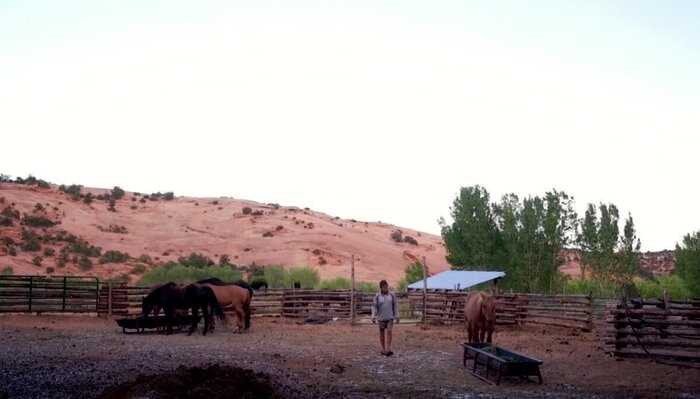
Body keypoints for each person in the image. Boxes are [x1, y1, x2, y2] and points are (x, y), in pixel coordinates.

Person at [371, 280, 399, 356]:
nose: (386, 288)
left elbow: (395, 305)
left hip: (390, 317)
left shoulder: (392, 295)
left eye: (386, 286)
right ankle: (383, 349)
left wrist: (397, 315)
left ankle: (388, 348)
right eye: (384, 287)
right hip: (381, 318)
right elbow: (374, 306)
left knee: (389, 331)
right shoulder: (377, 296)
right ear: (381, 288)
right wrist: (373, 316)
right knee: (382, 333)